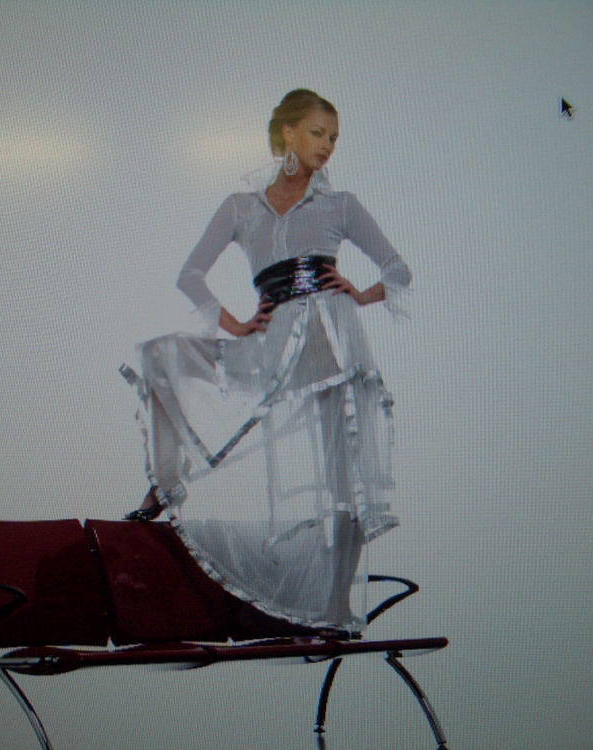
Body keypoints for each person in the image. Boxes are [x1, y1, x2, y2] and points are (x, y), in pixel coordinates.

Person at [121, 89, 411, 632]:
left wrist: (358, 294)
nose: (327, 146)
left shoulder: (339, 205)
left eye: (334, 138)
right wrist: (234, 324)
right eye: (317, 133)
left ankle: (333, 609)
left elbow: (398, 269)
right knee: (162, 355)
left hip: (329, 343)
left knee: (342, 475)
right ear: (287, 134)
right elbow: (190, 275)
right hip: (271, 345)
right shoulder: (241, 207)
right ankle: (168, 480)